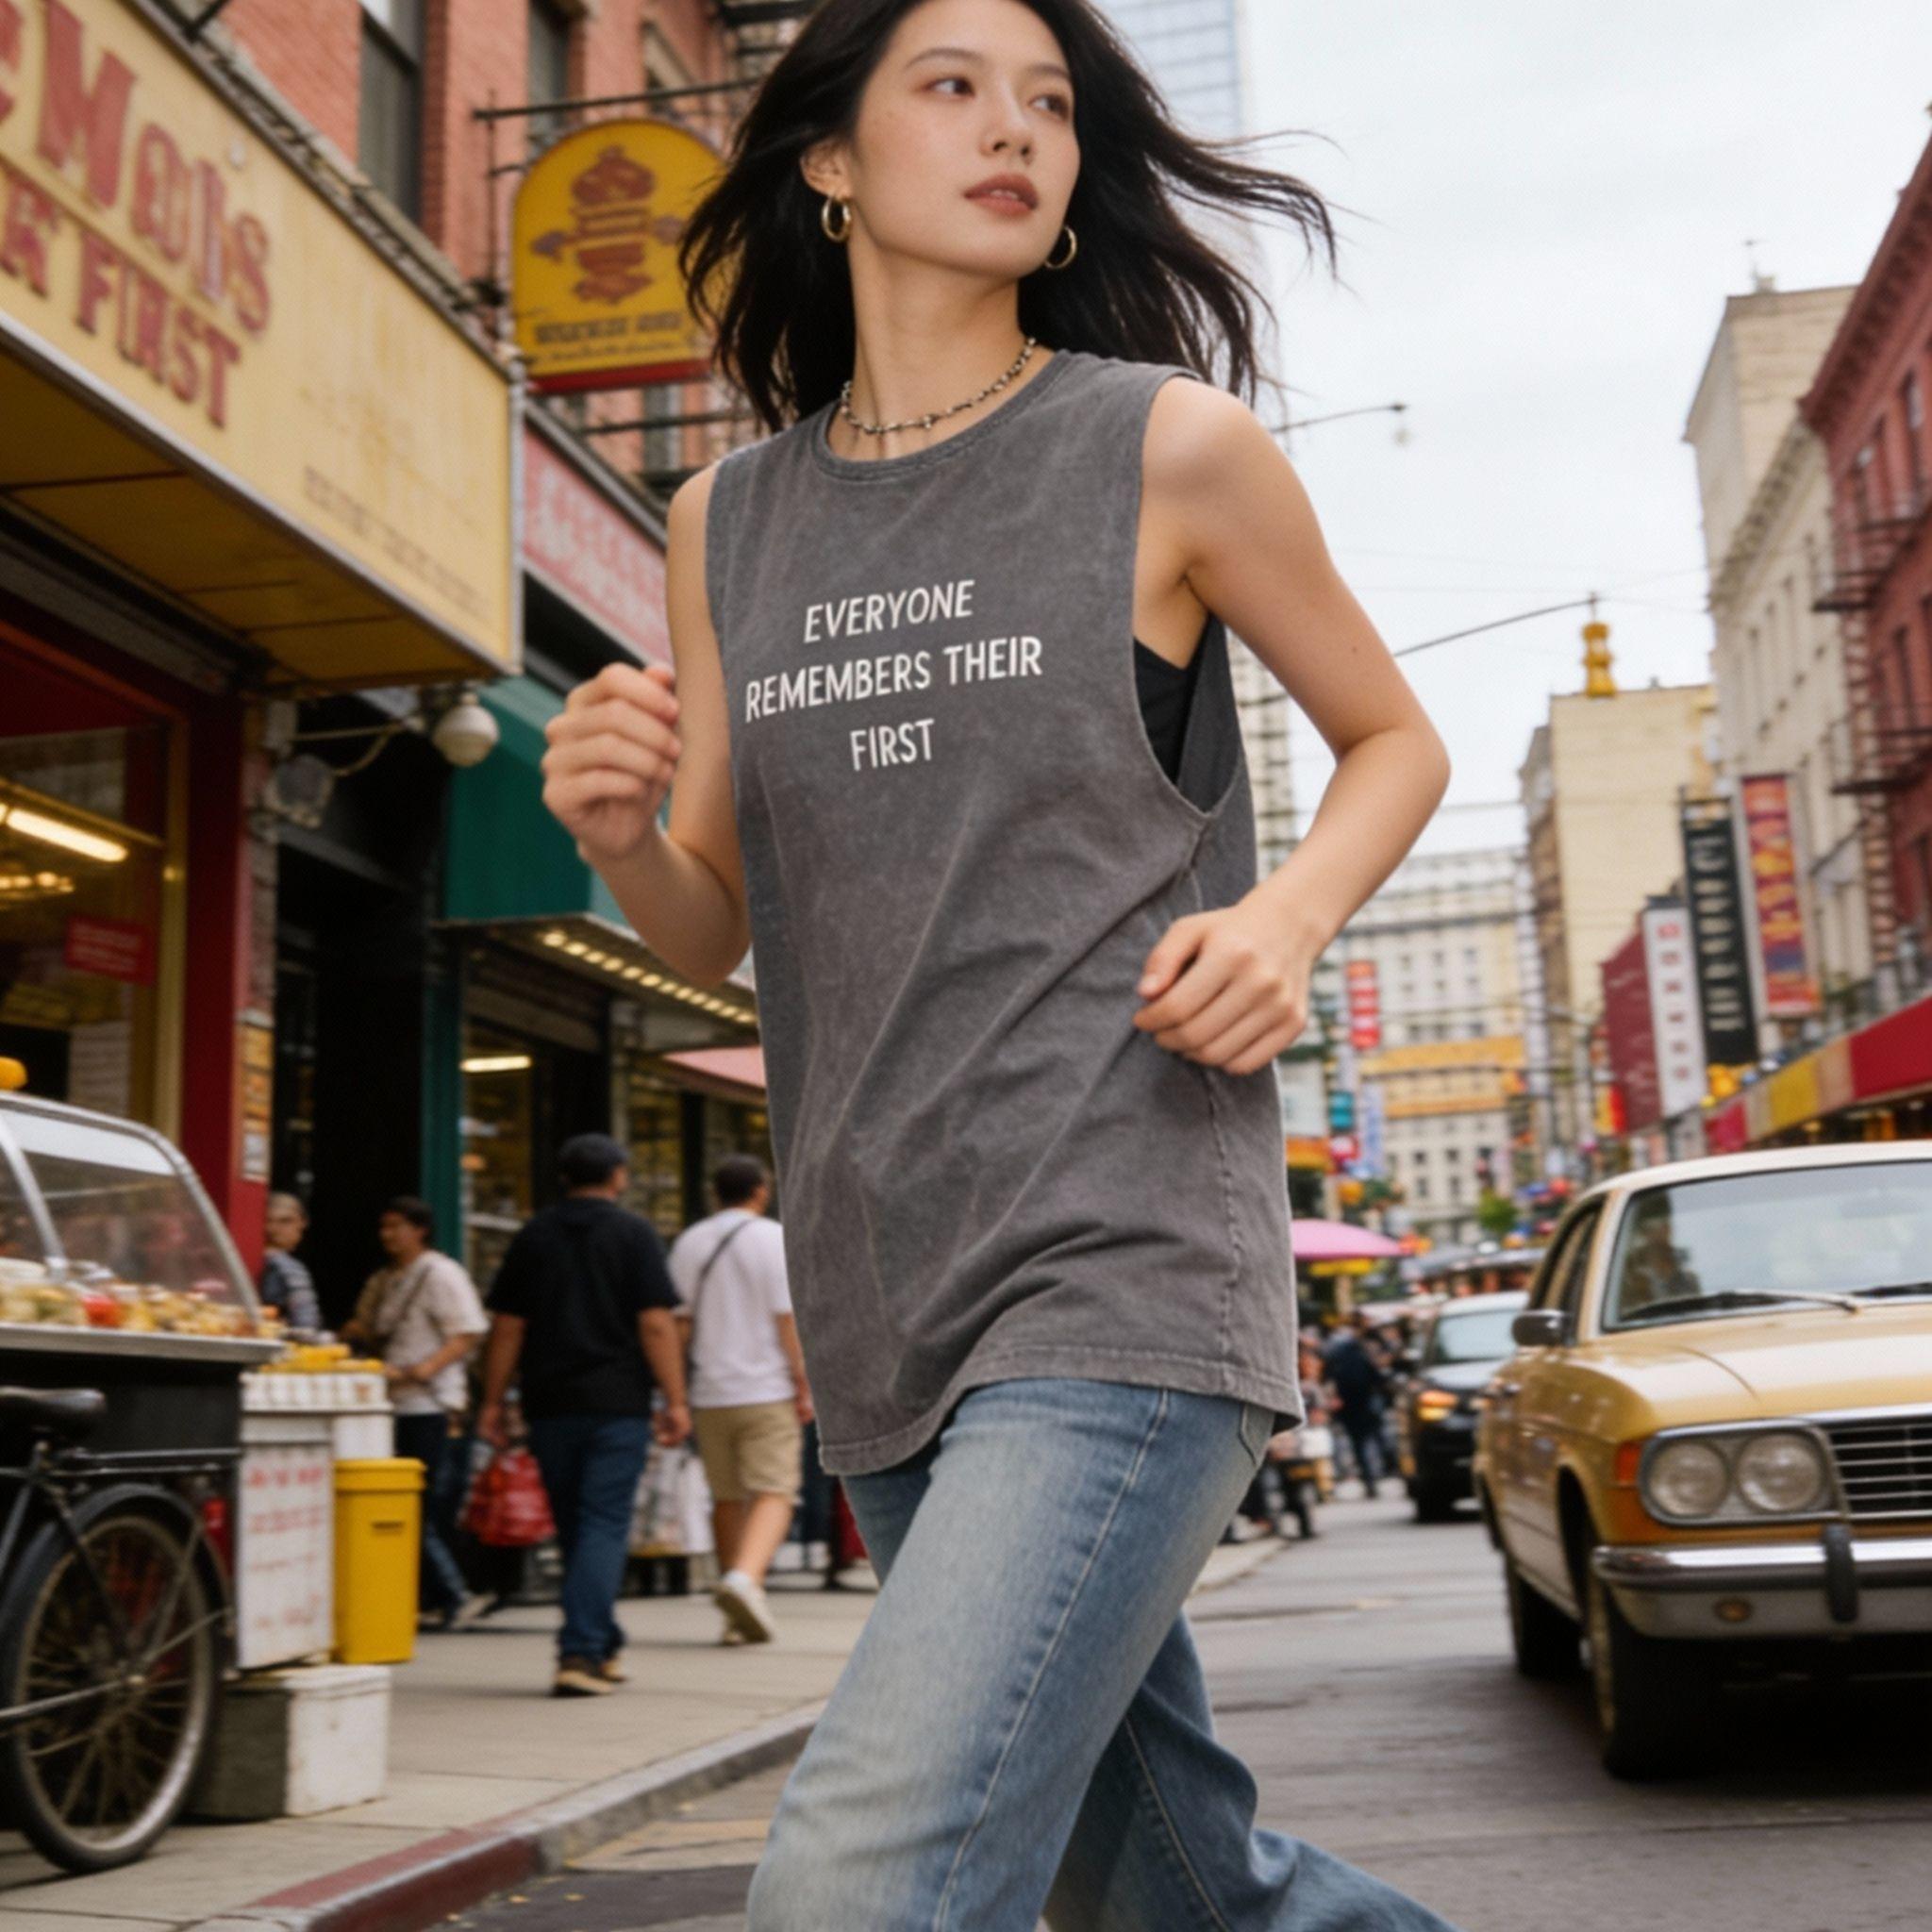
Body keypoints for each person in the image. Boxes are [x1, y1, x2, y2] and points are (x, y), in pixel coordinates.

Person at [537, 3, 1458, 1924]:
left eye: (1046, 101)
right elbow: (718, 922)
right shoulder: (728, 520)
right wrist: (621, 840)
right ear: (828, 161)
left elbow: (1395, 740)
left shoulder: (1164, 450)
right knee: (1182, 1891)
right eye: (951, 87)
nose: (1013, 128)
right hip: (885, 1291)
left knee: (854, 1886)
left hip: (1120, 1254)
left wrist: (1280, 919)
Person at [476, 1133, 691, 1697]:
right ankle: (582, 1652)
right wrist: (675, 1399)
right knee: (602, 1524)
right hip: (617, 1404)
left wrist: (493, 1401)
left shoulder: (534, 1235)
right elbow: (655, 1323)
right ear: (618, 1176)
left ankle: (604, 1638)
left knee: (578, 1526)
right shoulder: (634, 1233)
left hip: (549, 1405)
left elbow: (507, 1327)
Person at [667, 1154, 812, 1646]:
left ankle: (736, 1612)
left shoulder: (689, 1242)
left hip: (710, 1393)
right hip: (765, 1387)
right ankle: (745, 1580)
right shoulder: (772, 1239)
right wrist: (804, 1382)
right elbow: (786, 1318)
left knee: (726, 1496)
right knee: (775, 1490)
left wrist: (674, 1395)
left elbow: (678, 1326)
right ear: (760, 1191)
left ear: (715, 1193)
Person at [343, 1197, 490, 1631]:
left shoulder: (441, 1273)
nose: (389, 1235)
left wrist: (425, 1369)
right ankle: (419, 1597)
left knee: (418, 1507)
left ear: (420, 1229)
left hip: (429, 1402)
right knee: (398, 1503)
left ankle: (452, 1594)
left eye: (398, 1226)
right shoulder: (386, 1279)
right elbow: (364, 1326)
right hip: (389, 1400)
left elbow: (467, 1332)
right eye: (384, 1226)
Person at [1322, 1314, 1391, 1499]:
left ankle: (1370, 1479)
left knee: (1359, 1444)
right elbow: (1377, 1376)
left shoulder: (1338, 1351)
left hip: (1350, 1405)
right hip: (1364, 1402)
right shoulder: (1362, 1350)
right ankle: (1379, 1473)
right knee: (1375, 1438)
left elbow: (1329, 1376)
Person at [258, 1191, 323, 1332]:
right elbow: (306, 1324)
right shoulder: (288, 1266)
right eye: (267, 1221)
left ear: (303, 1222)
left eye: (285, 1221)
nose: (272, 1229)